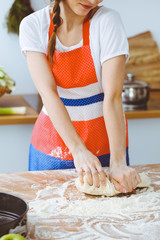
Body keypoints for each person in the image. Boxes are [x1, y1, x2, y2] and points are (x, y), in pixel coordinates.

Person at [19, 0, 141, 193]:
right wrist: (78, 150)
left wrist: (118, 162)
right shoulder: (33, 25)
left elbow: (113, 96)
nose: (93, 1)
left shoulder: (108, 21)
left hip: (106, 143)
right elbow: (48, 93)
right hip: (53, 145)